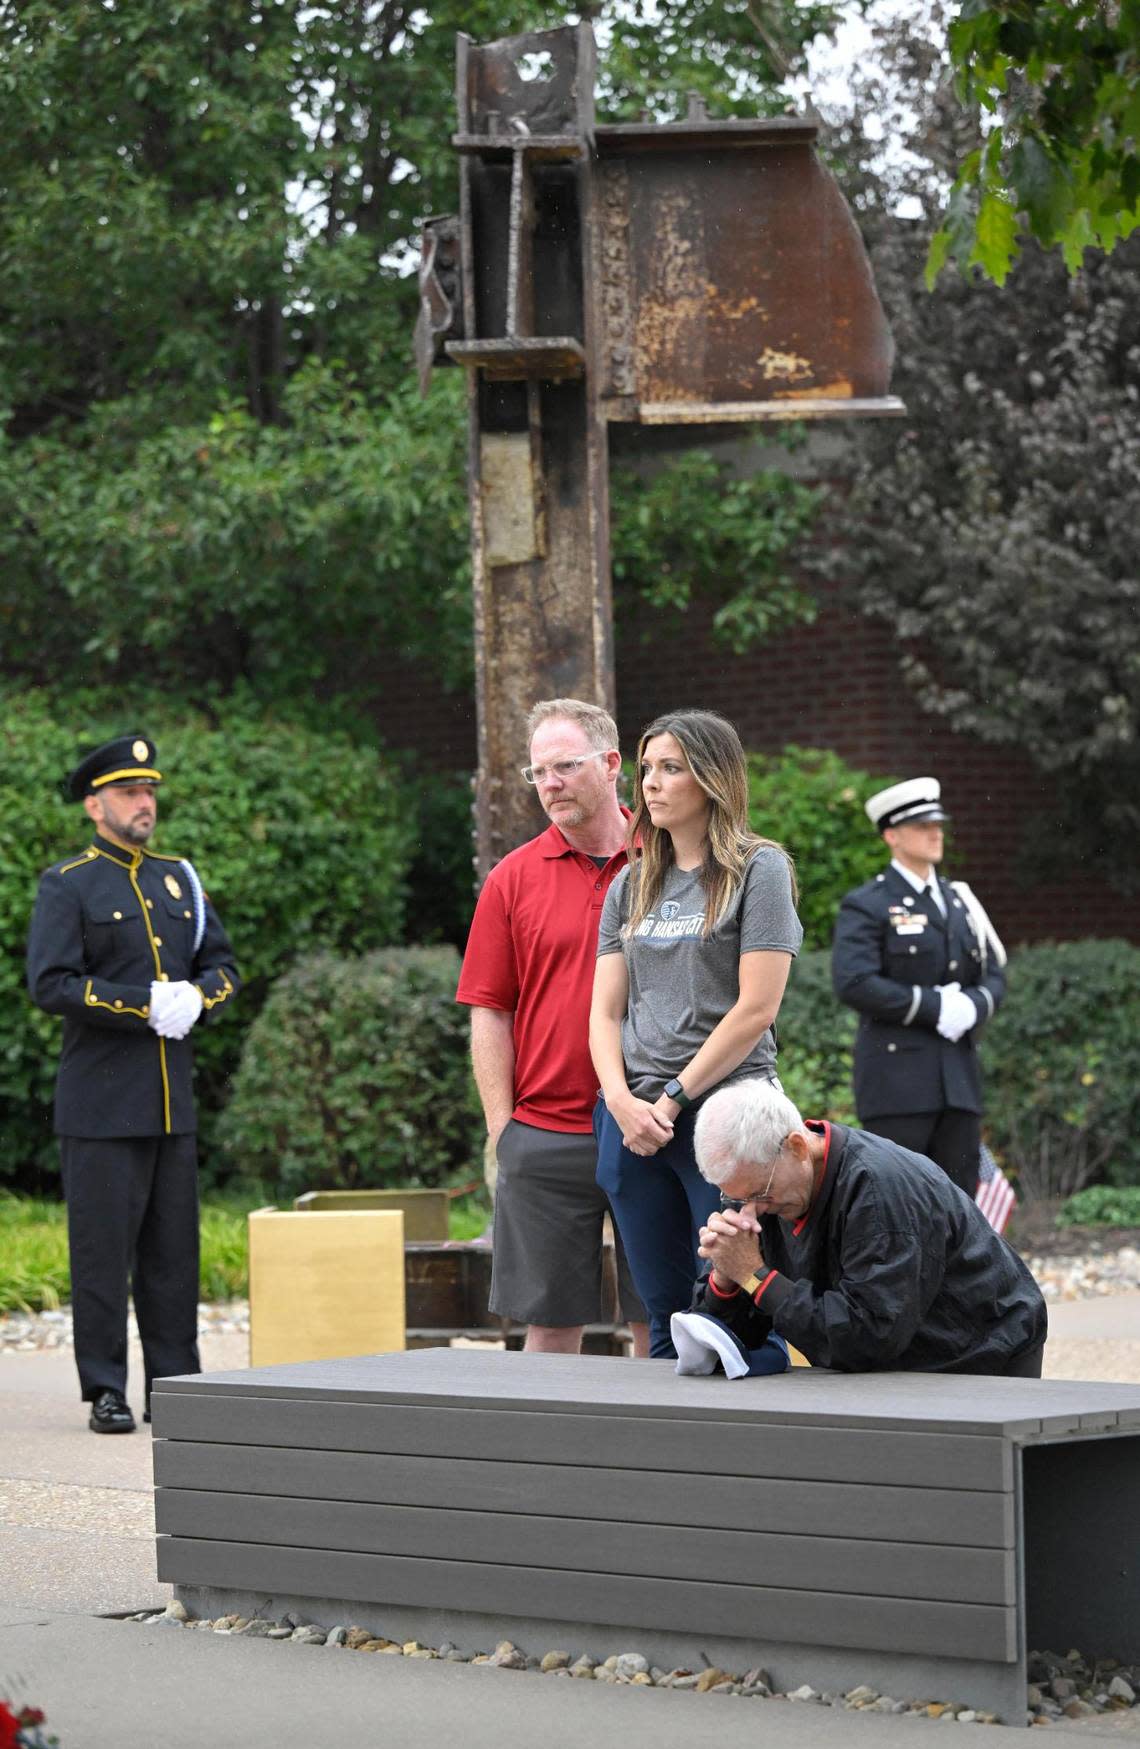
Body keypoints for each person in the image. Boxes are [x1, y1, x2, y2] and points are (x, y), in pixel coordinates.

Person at [26, 735, 240, 1433]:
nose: (144, 802)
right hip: (100, 1106)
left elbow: (224, 966)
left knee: (175, 1256)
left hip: (170, 1104)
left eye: (148, 790)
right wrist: (142, 1003)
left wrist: (199, 999)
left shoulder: (180, 877)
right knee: (101, 1257)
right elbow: (50, 982)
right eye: (127, 792)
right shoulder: (70, 882)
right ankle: (106, 1389)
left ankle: (175, 1384)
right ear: (95, 805)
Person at [590, 710, 803, 1360]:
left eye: (671, 767)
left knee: (735, 1309)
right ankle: (666, 1451)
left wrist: (674, 1098)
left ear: (712, 778)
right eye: (648, 767)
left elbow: (757, 1007)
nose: (650, 783)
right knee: (662, 1314)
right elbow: (603, 1014)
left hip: (726, 1113)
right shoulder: (631, 882)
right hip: (633, 1124)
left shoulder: (757, 870)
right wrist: (623, 1103)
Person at [455, 699, 648, 1356]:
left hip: (651, 1126)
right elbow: (490, 1011)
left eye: (566, 766)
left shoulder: (670, 863)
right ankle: (542, 1461)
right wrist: (503, 1129)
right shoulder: (511, 879)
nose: (550, 784)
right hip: (545, 1134)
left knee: (663, 1317)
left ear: (612, 764)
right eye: (539, 772)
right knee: (549, 1326)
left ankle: (659, 1456)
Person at [684, 1077, 1046, 1377]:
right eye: (733, 1199)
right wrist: (726, 1279)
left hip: (982, 1356)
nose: (751, 1211)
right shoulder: (760, 1186)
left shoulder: (878, 1193)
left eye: (759, 1194)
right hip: (898, 1359)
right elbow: (730, 1339)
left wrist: (755, 1276)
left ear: (797, 1147)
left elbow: (868, 1337)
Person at [831, 776, 1006, 1196]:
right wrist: (934, 1007)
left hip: (958, 1082)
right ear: (891, 835)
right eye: (921, 826)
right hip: (897, 1083)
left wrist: (974, 1005)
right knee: (902, 1202)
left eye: (938, 824)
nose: (935, 833)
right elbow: (854, 981)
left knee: (961, 1207)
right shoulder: (869, 903)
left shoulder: (960, 899)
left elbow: (995, 970)